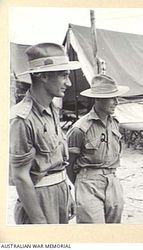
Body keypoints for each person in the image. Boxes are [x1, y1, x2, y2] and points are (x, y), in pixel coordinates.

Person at [10, 43, 81, 224]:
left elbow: (56, 161)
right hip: (38, 199)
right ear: (42, 76)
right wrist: (40, 222)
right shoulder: (22, 119)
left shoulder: (52, 110)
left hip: (59, 194)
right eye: (63, 75)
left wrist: (67, 195)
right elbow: (20, 176)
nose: (69, 82)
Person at [66, 74, 129, 224]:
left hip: (113, 182)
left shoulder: (114, 123)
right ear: (98, 99)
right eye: (112, 98)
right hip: (88, 184)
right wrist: (82, 185)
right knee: (93, 233)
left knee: (113, 233)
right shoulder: (80, 128)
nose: (116, 102)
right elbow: (69, 164)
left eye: (116, 97)